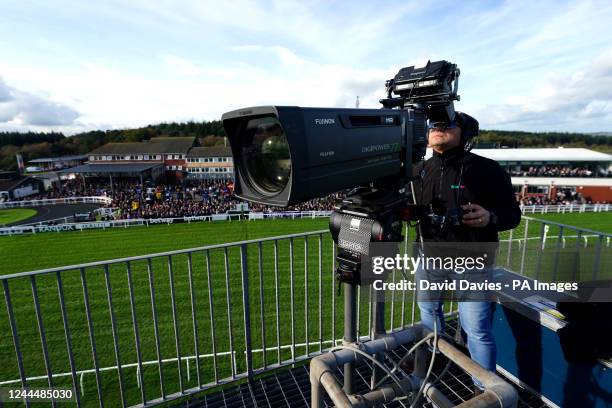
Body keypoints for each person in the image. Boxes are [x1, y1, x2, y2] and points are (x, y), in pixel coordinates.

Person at [413, 112, 522, 392]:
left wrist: (490, 217)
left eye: (446, 123)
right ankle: (435, 357)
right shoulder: (420, 169)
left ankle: (484, 389)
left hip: (473, 259)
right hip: (428, 255)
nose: (437, 127)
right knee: (428, 313)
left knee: (475, 327)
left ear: (466, 133)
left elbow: (512, 215)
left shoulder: (488, 169)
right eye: (433, 124)